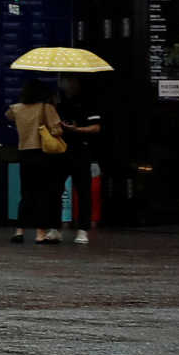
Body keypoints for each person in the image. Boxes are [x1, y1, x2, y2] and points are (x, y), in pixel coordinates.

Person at [6, 78, 69, 245]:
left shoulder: (16, 108)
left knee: (26, 194)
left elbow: (9, 116)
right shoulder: (46, 107)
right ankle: (40, 234)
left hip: (24, 153)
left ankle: (19, 231)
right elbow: (57, 130)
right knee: (42, 194)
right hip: (42, 154)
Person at [56, 76, 102, 245]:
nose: (68, 85)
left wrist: (77, 130)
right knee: (56, 190)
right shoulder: (59, 104)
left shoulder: (88, 103)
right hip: (61, 150)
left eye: (71, 82)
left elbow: (96, 127)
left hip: (81, 150)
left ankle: (83, 230)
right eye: (66, 82)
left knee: (83, 191)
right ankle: (55, 227)